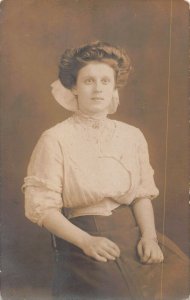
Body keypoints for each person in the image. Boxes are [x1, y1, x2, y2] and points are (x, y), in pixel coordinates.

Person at [22, 41, 189, 300]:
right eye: (88, 81)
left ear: (114, 87)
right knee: (120, 293)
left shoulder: (132, 136)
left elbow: (141, 195)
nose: (98, 89)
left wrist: (150, 238)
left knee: (180, 279)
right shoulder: (55, 138)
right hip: (84, 241)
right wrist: (87, 242)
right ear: (74, 87)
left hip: (135, 235)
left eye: (105, 81)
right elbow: (42, 208)